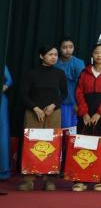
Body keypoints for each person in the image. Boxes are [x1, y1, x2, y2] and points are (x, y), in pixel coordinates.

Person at [18, 44, 67, 191]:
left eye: (55, 55)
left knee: (52, 145)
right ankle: (29, 180)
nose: (53, 57)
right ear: (41, 56)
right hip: (34, 113)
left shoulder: (59, 73)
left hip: (53, 113)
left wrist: (53, 105)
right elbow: (23, 94)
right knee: (32, 145)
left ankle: (49, 180)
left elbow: (64, 94)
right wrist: (35, 108)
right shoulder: (31, 73)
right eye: (50, 54)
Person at [73, 42, 101, 192]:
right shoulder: (84, 72)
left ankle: (100, 179)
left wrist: (99, 112)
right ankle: (81, 179)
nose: (99, 55)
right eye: (96, 52)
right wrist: (84, 113)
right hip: (85, 113)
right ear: (92, 54)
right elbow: (79, 92)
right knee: (84, 145)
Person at [56, 36, 85, 129]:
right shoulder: (54, 62)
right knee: (54, 131)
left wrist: (77, 104)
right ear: (59, 49)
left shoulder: (78, 63)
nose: (68, 50)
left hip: (71, 103)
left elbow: (82, 86)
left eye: (70, 47)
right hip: (54, 102)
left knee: (68, 131)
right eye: (64, 47)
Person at [1, 65, 12, 185]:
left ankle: (2, 170)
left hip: (1, 101)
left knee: (2, 133)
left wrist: (3, 88)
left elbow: (9, 80)